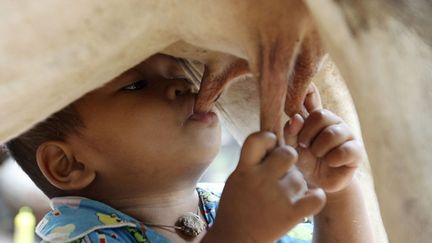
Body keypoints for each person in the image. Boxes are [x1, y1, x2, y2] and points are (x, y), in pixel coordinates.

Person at [6, 53, 374, 243]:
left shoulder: (225, 205)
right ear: (67, 163)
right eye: (136, 85)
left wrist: (333, 189)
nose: (185, 87)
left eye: (182, 74)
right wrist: (238, 232)